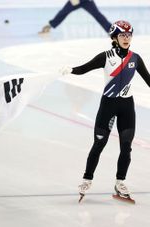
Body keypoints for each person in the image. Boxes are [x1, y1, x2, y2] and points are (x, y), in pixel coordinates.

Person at [60, 20, 150, 200]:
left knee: (126, 147)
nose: (126, 38)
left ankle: (120, 182)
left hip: (127, 107)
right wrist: (70, 69)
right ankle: (87, 179)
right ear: (115, 38)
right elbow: (84, 69)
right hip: (108, 106)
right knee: (99, 144)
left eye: (129, 35)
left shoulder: (135, 58)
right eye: (122, 35)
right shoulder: (106, 56)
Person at [39, 0, 111, 34]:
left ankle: (110, 29)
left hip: (86, 1)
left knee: (97, 14)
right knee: (63, 12)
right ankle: (49, 26)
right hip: (75, 1)